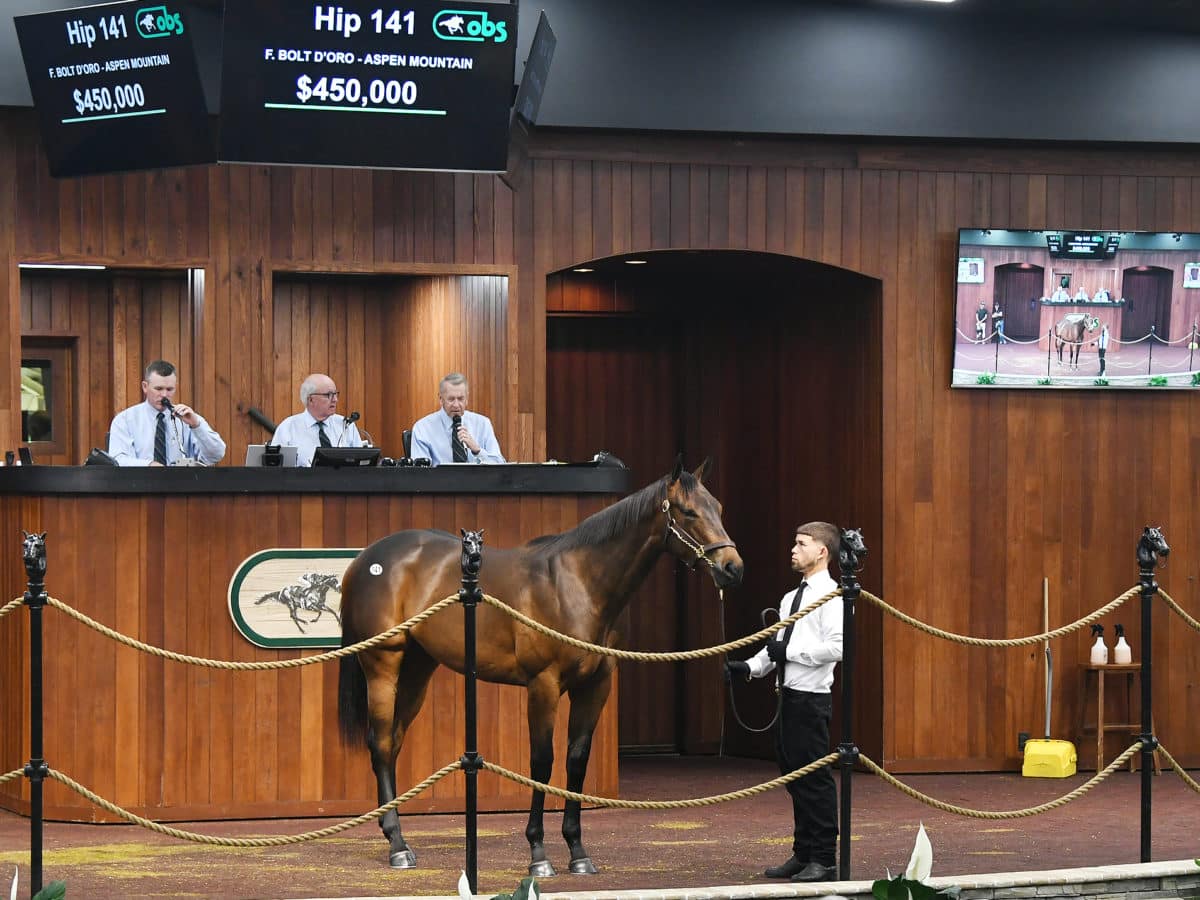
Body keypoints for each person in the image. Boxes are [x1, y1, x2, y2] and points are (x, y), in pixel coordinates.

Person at [725, 522, 843, 883]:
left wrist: (789, 652)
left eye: (801, 543)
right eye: (794, 542)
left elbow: (838, 648)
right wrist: (749, 667)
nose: (793, 549)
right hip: (788, 699)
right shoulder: (790, 599)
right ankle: (803, 852)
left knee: (814, 780)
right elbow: (773, 649)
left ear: (822, 551)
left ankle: (823, 858)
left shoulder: (833, 595)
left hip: (811, 700)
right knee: (794, 779)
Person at [108, 359, 226, 466]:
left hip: (180, 487)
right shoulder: (125, 420)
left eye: (169, 389)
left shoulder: (188, 419)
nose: (164, 395)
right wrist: (149, 465)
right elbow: (118, 459)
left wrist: (197, 426)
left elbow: (216, 455)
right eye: (158, 389)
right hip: (139, 486)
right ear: (145, 387)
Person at [410, 372, 505, 465]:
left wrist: (477, 451)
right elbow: (420, 474)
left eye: (460, 399)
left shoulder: (483, 424)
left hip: (477, 480)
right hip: (439, 480)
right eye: (451, 399)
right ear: (440, 399)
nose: (456, 405)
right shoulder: (422, 428)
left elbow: (501, 465)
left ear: (467, 399)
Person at [270, 373, 363, 466]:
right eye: (329, 395)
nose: (335, 399)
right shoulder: (288, 427)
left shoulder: (346, 425)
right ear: (311, 399)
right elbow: (276, 468)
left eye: (335, 394)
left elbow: (362, 463)